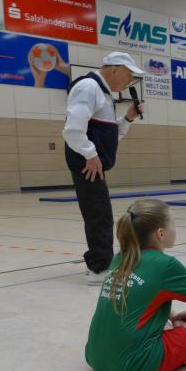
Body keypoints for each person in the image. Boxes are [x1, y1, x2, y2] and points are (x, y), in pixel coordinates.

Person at [85, 199, 186, 371]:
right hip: (133, 364)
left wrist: (175, 317)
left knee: (160, 315)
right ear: (161, 233)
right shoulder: (166, 265)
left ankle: (183, 338)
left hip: (95, 357)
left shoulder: (120, 257)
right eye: (173, 224)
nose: (175, 228)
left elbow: (143, 302)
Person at [62, 51, 146, 285]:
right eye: (129, 75)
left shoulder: (104, 94)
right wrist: (90, 155)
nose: (130, 82)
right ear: (115, 69)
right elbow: (72, 130)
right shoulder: (89, 87)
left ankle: (97, 261)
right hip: (87, 165)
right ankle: (99, 269)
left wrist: (128, 119)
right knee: (99, 216)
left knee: (99, 214)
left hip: (93, 164)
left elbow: (109, 136)